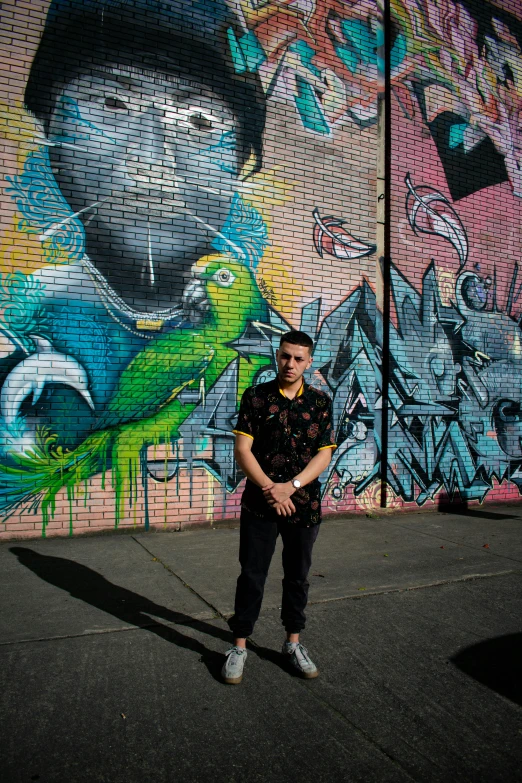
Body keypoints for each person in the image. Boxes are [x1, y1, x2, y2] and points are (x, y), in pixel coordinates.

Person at [222, 330, 337, 684]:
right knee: (252, 575)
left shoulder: (320, 402)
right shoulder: (255, 397)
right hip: (260, 503)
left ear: (309, 361)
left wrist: (292, 487)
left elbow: (324, 453)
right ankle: (239, 646)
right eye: (286, 356)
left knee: (298, 576)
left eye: (299, 358)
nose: (291, 364)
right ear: (277, 355)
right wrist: (272, 489)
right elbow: (243, 451)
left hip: (304, 505)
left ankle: (293, 643)